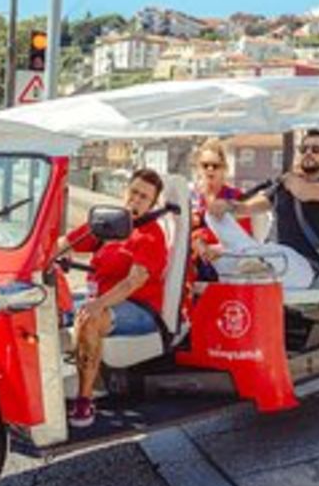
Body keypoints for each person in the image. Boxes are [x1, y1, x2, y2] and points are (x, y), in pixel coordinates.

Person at [62, 168, 169, 428]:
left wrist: (98, 304)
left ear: (152, 204)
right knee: (41, 306)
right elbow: (65, 242)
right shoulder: (108, 224)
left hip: (140, 307)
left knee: (90, 318)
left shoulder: (151, 235)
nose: (136, 200)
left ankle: (85, 399)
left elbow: (133, 282)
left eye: (144, 197)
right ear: (125, 192)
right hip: (100, 297)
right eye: (134, 192)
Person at [206, 129, 319, 290]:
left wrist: (290, 177)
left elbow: (304, 193)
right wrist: (227, 205)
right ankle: (251, 259)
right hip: (270, 254)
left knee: (266, 252)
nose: (308, 153)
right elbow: (247, 208)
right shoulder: (285, 186)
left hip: (300, 265)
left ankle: (249, 257)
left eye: (315, 150)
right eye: (304, 149)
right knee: (212, 215)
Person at [188, 139, 252, 281]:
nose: (210, 170)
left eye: (215, 166)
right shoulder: (190, 198)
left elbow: (244, 238)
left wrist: (213, 246)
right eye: (205, 165)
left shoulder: (235, 198)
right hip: (193, 265)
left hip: (228, 264)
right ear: (198, 168)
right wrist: (197, 242)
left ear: (224, 169)